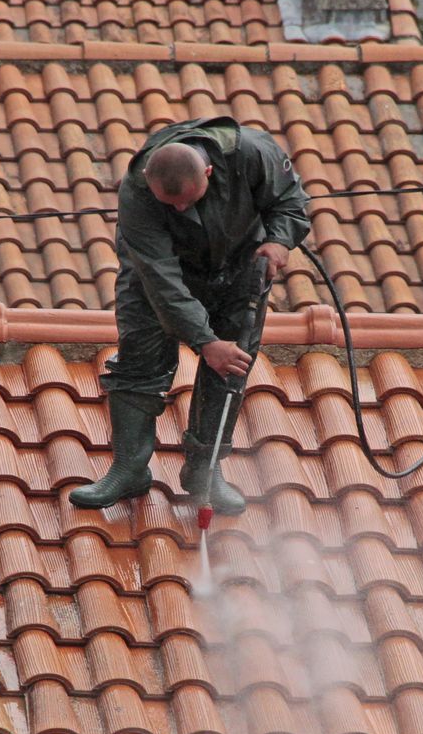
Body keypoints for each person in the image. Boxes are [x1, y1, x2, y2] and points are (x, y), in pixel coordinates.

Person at [68, 117, 312, 514]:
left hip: (238, 270)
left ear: (210, 172)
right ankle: (128, 469)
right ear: (149, 179)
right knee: (139, 359)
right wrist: (203, 340)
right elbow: (162, 281)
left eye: (189, 200)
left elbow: (291, 202)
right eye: (172, 204)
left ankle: (205, 470)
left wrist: (279, 241)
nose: (180, 209)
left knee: (230, 364)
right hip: (157, 278)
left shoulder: (252, 154)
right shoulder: (137, 191)